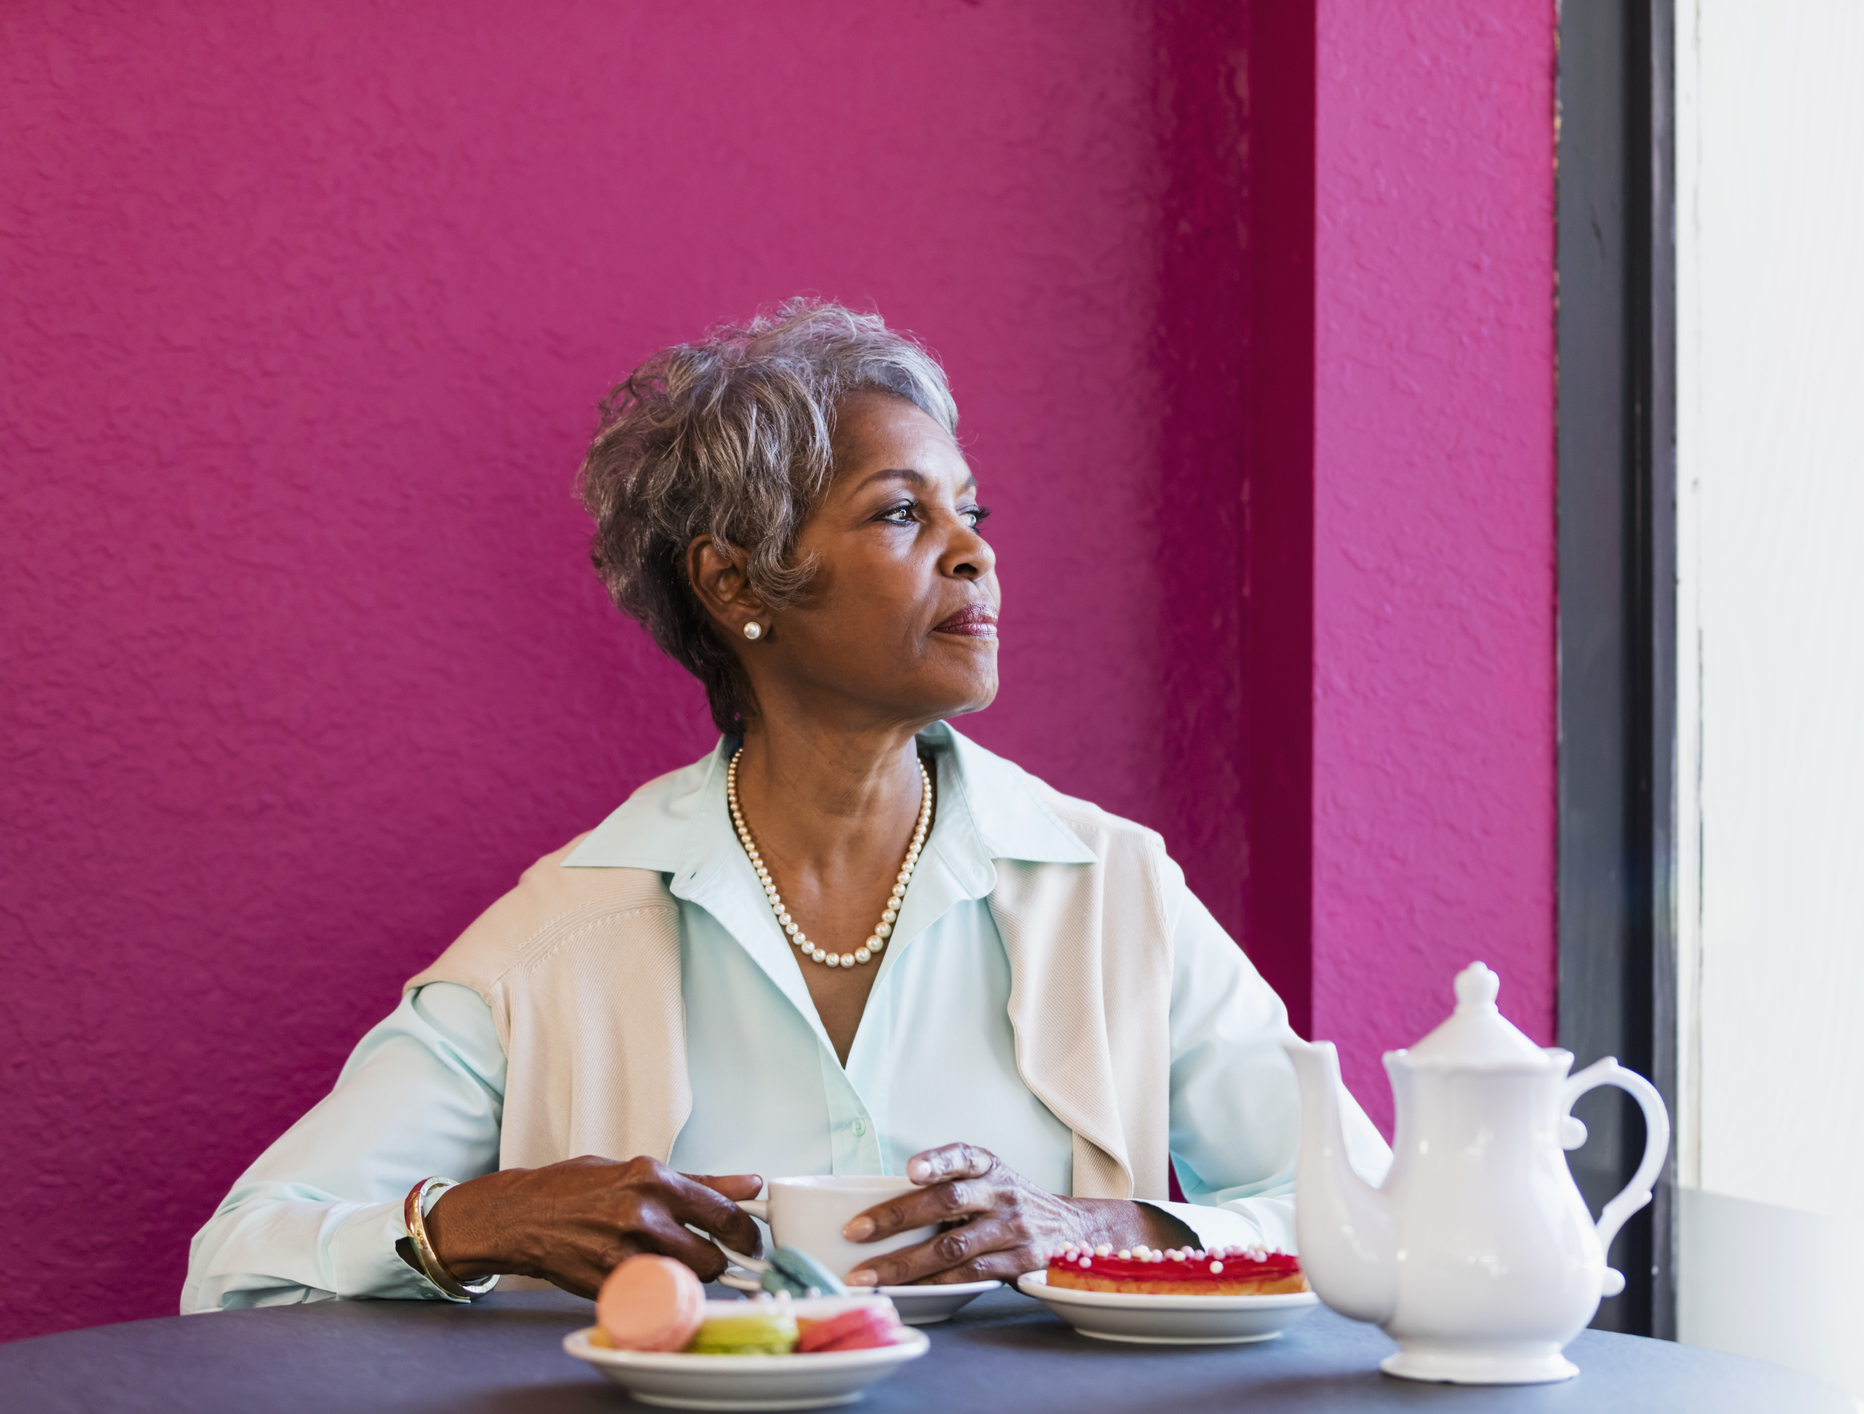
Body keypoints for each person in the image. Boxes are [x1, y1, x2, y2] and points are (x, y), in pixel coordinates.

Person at [182, 300, 1388, 1311]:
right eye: (903, 511)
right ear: (735, 582)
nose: (974, 551)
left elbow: (1378, 1216)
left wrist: (1101, 1228)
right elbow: (238, 1265)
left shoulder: (1114, 890)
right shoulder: (563, 933)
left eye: (972, 511)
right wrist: (479, 1220)